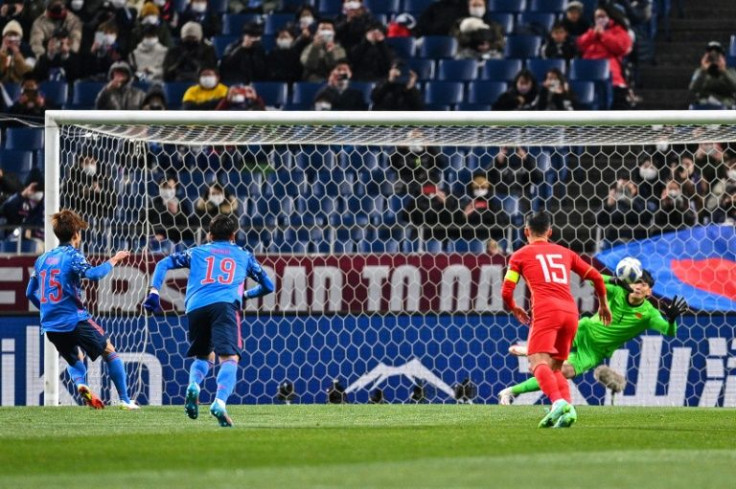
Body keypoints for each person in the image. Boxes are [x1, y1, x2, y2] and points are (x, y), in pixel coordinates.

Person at [142, 214, 275, 426]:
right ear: (234, 236)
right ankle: (220, 402)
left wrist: (154, 291)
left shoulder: (196, 252)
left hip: (195, 307)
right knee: (230, 358)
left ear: (209, 235)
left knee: (204, 355)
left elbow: (164, 262)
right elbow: (269, 286)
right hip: (224, 306)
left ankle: (194, 385)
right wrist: (246, 295)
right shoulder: (244, 255)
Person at [499, 270, 687, 405]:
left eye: (644, 284)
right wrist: (613, 280)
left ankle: (509, 392)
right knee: (550, 355)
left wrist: (671, 320)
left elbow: (670, 332)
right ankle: (534, 352)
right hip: (583, 330)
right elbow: (591, 279)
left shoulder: (649, 314)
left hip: (595, 351)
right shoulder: (618, 292)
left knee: (563, 372)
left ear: (649, 292)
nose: (638, 286)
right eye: (636, 282)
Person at [501, 211, 611, 428]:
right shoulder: (565, 252)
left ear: (526, 232)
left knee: (537, 361)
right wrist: (604, 305)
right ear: (550, 231)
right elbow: (597, 277)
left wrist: (514, 308)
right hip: (570, 313)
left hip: (546, 310)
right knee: (555, 367)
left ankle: (558, 402)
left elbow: (506, 291)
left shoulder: (520, 256)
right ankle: (567, 410)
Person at [24, 209, 137, 409]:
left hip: (50, 324)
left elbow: (29, 292)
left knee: (76, 358)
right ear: (76, 234)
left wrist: (48, 308)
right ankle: (125, 401)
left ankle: (81, 384)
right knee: (109, 351)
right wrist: (114, 259)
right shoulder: (73, 256)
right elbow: (94, 275)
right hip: (73, 319)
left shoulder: (42, 259)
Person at [576, 5, 633, 109]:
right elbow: (580, 44)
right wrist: (593, 34)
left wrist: (603, 36)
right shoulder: (591, 32)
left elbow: (622, 47)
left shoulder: (619, 30)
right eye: (597, 17)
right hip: (588, 75)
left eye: (602, 16)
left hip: (612, 77)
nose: (599, 19)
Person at [688, 41, 736, 108]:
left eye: (717, 55)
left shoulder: (730, 71)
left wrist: (723, 71)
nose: (714, 58)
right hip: (705, 104)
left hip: (726, 104)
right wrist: (703, 70)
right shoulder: (700, 71)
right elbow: (693, 88)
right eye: (710, 56)